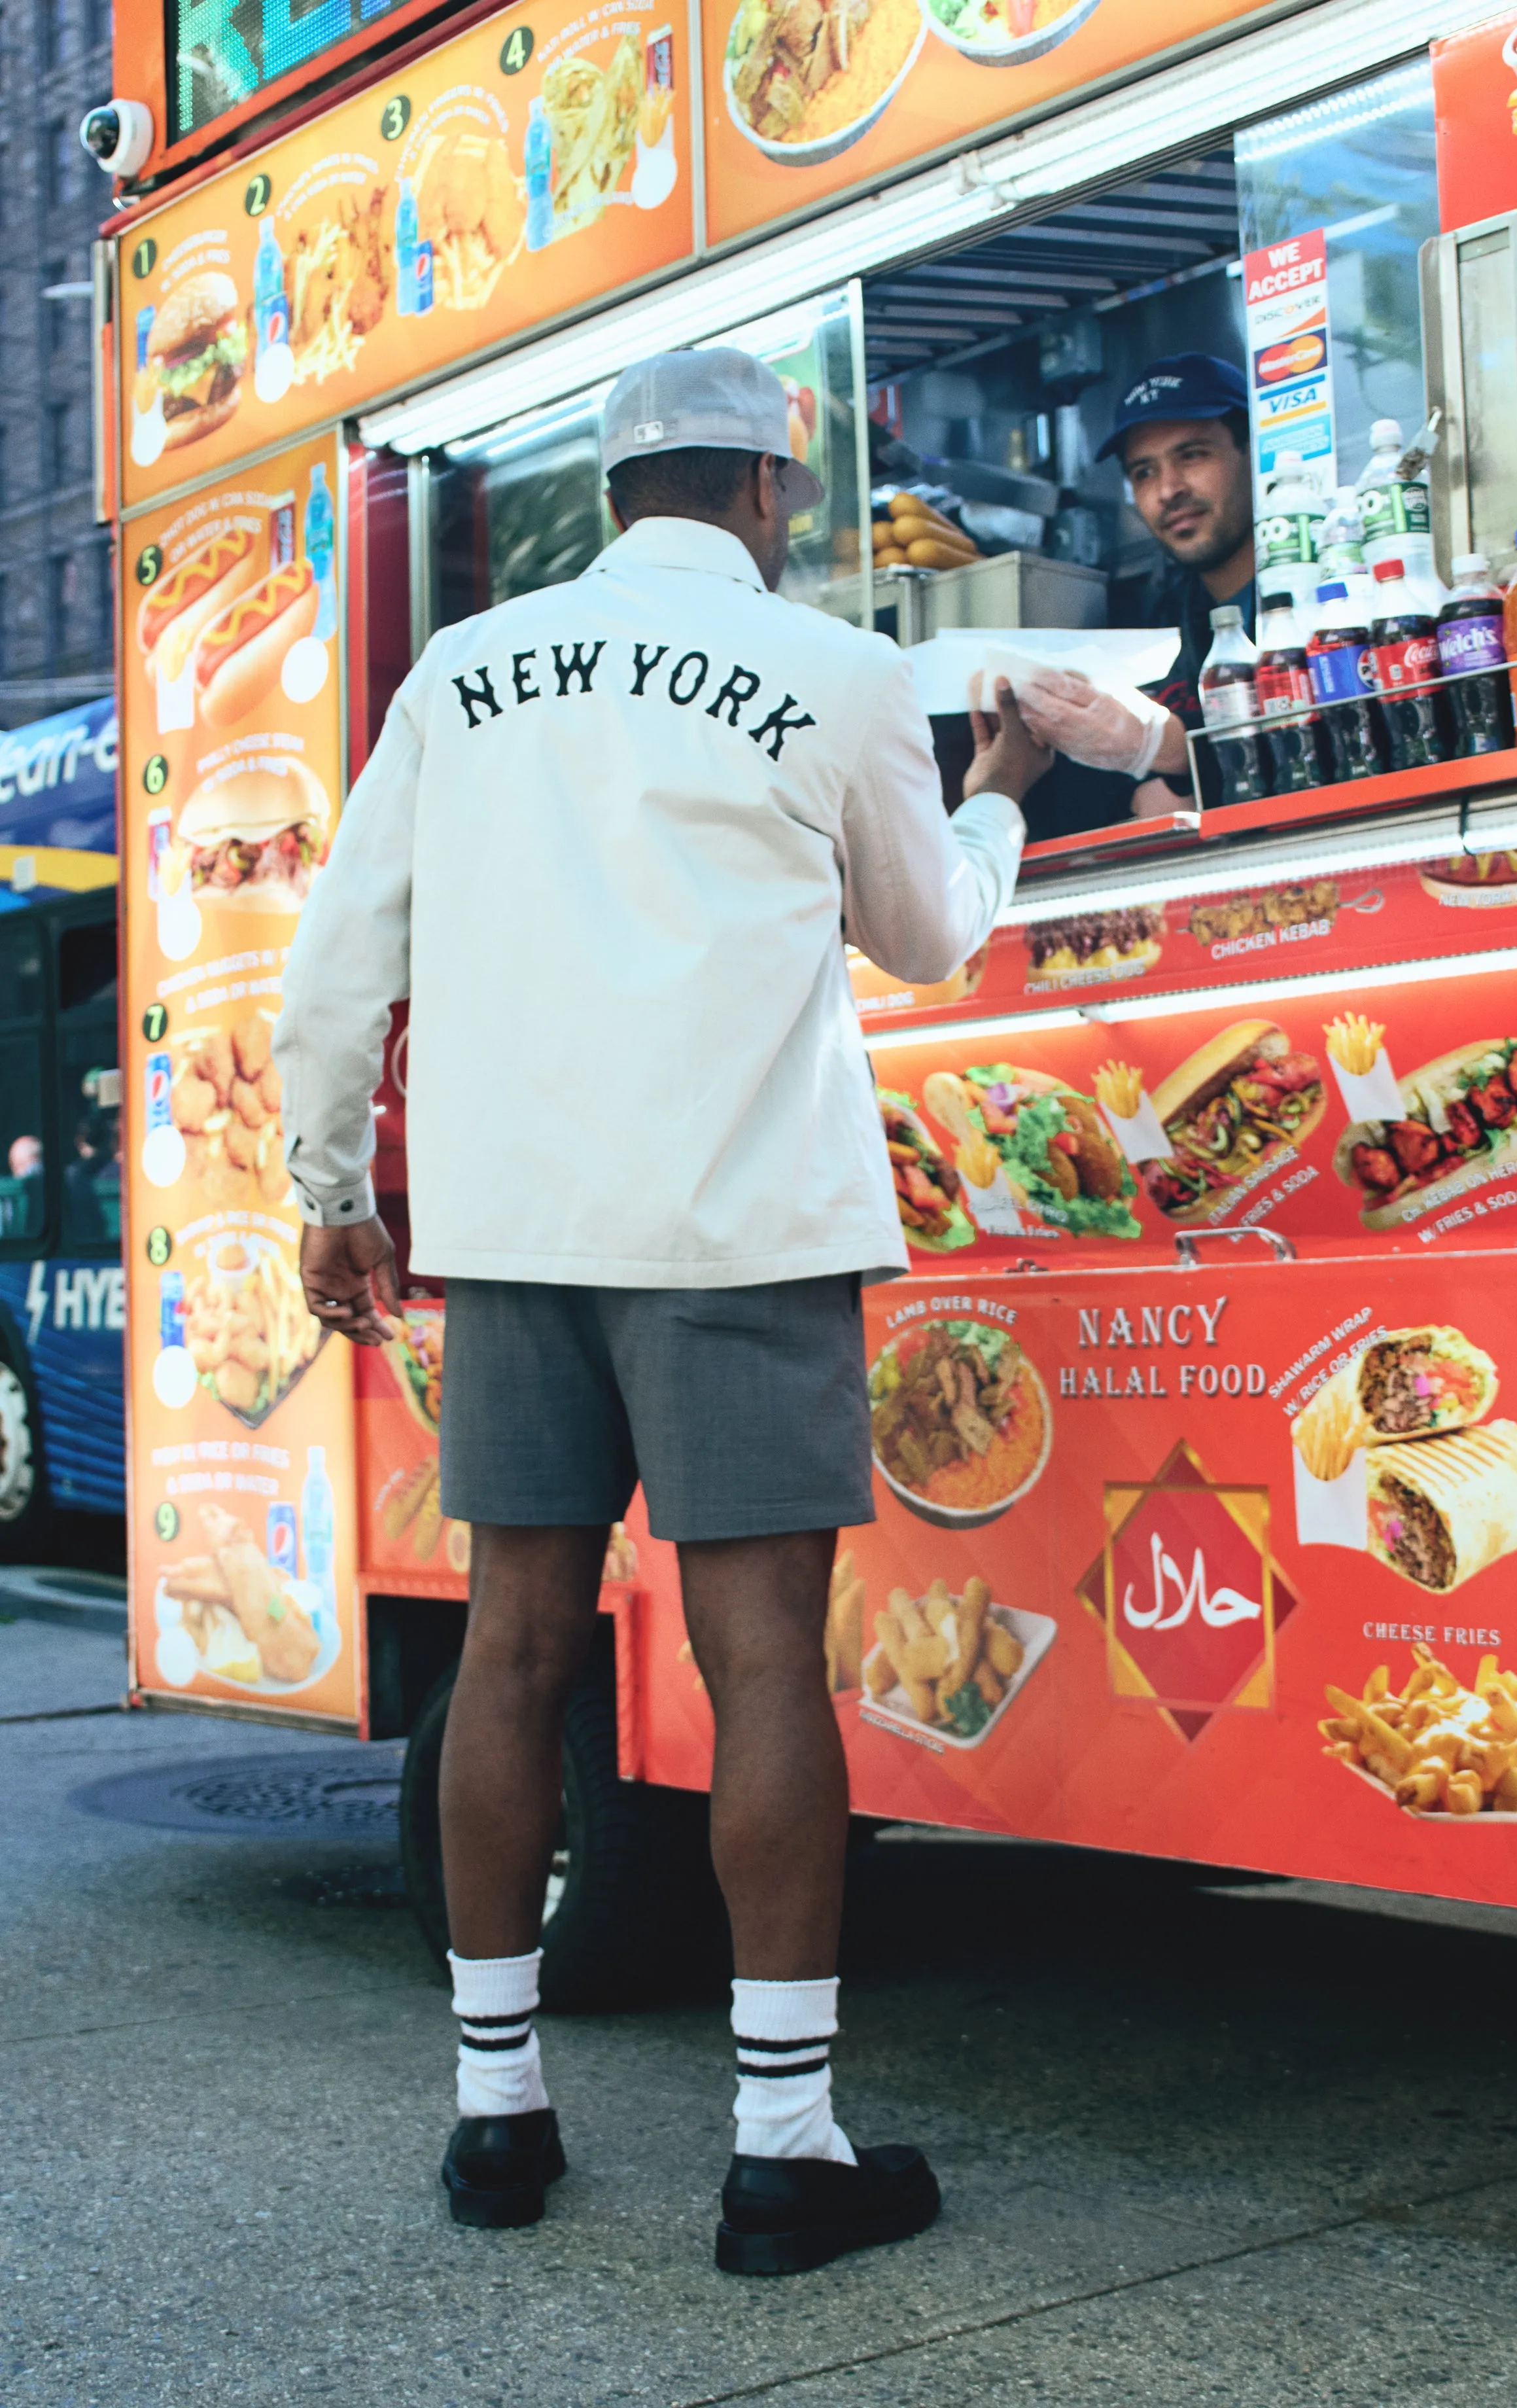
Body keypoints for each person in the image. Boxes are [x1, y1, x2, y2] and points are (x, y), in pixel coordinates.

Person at [273, 347, 1050, 2275]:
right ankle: (780, 2143)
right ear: (772, 494)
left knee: (516, 1645)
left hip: (520, 1232)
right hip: (741, 1226)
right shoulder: (843, 675)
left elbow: (338, 956)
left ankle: (494, 2116)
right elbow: (929, 931)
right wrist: (1006, 798)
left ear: (607, 496)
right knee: (763, 1655)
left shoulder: (463, 672)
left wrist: (331, 1195)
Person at [1015, 353, 1256, 817]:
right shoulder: (1152, 626)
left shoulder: (1322, 597)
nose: (1169, 490)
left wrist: (1175, 753)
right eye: (1144, 472)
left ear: (1249, 449)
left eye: (1193, 455)